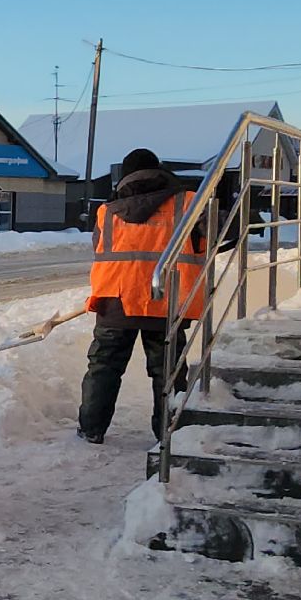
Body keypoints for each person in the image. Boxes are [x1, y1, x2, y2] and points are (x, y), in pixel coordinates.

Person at [75, 149, 207, 445]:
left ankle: (91, 428)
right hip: (167, 300)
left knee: (104, 366)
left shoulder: (106, 212)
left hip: (115, 300)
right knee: (168, 371)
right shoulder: (187, 204)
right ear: (158, 170)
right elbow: (206, 242)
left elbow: (101, 249)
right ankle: (169, 432)